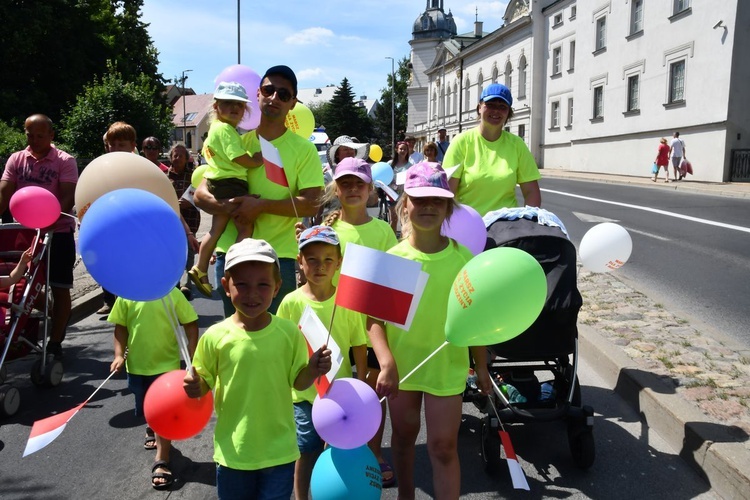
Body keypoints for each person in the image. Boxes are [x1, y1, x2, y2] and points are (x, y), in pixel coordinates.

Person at [367, 162, 490, 500]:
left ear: (448, 206)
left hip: (446, 366)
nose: (428, 207)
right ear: (405, 203)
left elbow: (474, 320)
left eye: (437, 200)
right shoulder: (397, 257)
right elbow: (375, 320)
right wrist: (387, 362)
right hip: (404, 367)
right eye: (419, 199)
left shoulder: (463, 259)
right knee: (404, 438)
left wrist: (481, 367)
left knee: (443, 446)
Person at [183, 238, 332, 500]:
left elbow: (298, 382)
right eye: (242, 284)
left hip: (280, 452)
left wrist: (313, 368)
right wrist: (196, 385)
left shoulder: (288, 333)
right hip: (234, 453)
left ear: (277, 287)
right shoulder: (215, 336)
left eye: (263, 284)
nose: (252, 293)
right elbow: (203, 380)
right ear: (226, 286)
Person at [193, 65, 324, 316]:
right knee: (235, 338)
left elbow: (311, 204)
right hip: (231, 255)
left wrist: (260, 206)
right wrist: (227, 206)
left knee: (274, 341)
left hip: (278, 258)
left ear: (293, 102)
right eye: (269, 89)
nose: (275, 97)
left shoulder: (303, 150)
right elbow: (200, 193)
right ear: (258, 93)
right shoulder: (236, 143)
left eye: (284, 94)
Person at [317, 157, 399, 486]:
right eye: (345, 183)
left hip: (373, 328)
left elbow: (392, 281)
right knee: (334, 393)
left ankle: (374, 451)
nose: (352, 189)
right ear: (336, 189)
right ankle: (334, 447)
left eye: (359, 184)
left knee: (371, 395)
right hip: (336, 327)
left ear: (370, 190)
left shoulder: (382, 231)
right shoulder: (328, 229)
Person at [277, 226, 367, 500]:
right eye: (312, 259)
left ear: (339, 262)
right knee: (306, 451)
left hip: (340, 395)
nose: (320, 266)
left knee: (338, 451)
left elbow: (359, 344)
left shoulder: (348, 301)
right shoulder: (291, 303)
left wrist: (362, 383)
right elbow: (282, 349)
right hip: (303, 395)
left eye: (328, 259)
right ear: (299, 261)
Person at [0, 114, 78, 359]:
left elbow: (67, 197)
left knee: (59, 286)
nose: (33, 140)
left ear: (51, 135)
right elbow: (4, 194)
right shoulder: (16, 159)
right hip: (24, 233)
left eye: (39, 136)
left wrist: (46, 222)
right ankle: (53, 311)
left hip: (57, 233)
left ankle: (55, 342)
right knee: (23, 285)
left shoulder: (65, 161)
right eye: (29, 135)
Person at [108, 287, 198, 490]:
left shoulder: (171, 294)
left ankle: (162, 458)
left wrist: (193, 356)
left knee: (163, 412)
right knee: (145, 405)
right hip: (137, 368)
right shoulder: (126, 295)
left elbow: (190, 324)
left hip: (166, 368)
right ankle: (152, 426)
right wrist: (118, 355)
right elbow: (120, 327)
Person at [188, 81, 264, 297]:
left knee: (216, 230)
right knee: (245, 227)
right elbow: (238, 157)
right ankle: (234, 267)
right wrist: (257, 160)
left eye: (239, 105)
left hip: (218, 182)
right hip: (231, 183)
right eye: (228, 104)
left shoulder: (214, 130)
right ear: (216, 107)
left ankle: (201, 268)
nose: (234, 109)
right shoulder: (227, 130)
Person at [444, 83, 542, 216]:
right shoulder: (461, 142)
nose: (496, 111)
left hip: (505, 229)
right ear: (479, 108)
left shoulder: (517, 145)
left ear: (508, 113)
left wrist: (528, 222)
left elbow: (531, 193)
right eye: (490, 105)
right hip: (468, 227)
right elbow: (447, 194)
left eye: (502, 107)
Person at [167, 144, 200, 299]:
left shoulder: (194, 176)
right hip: (172, 220)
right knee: (175, 251)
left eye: (181, 155)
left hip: (190, 218)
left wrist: (180, 204)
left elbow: (196, 194)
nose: (178, 158)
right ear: (170, 157)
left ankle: (188, 282)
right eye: (175, 155)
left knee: (189, 250)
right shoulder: (165, 177)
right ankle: (176, 282)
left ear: (187, 158)